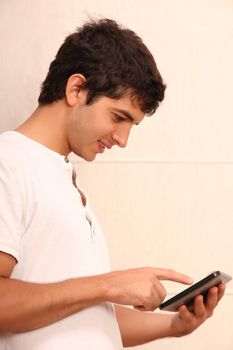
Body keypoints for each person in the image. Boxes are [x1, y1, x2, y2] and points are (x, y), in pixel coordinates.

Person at [0, 18, 225, 350]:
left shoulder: (62, 180)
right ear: (76, 89)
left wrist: (174, 326)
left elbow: (87, 316)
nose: (122, 139)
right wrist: (109, 285)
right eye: (119, 117)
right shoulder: (10, 161)